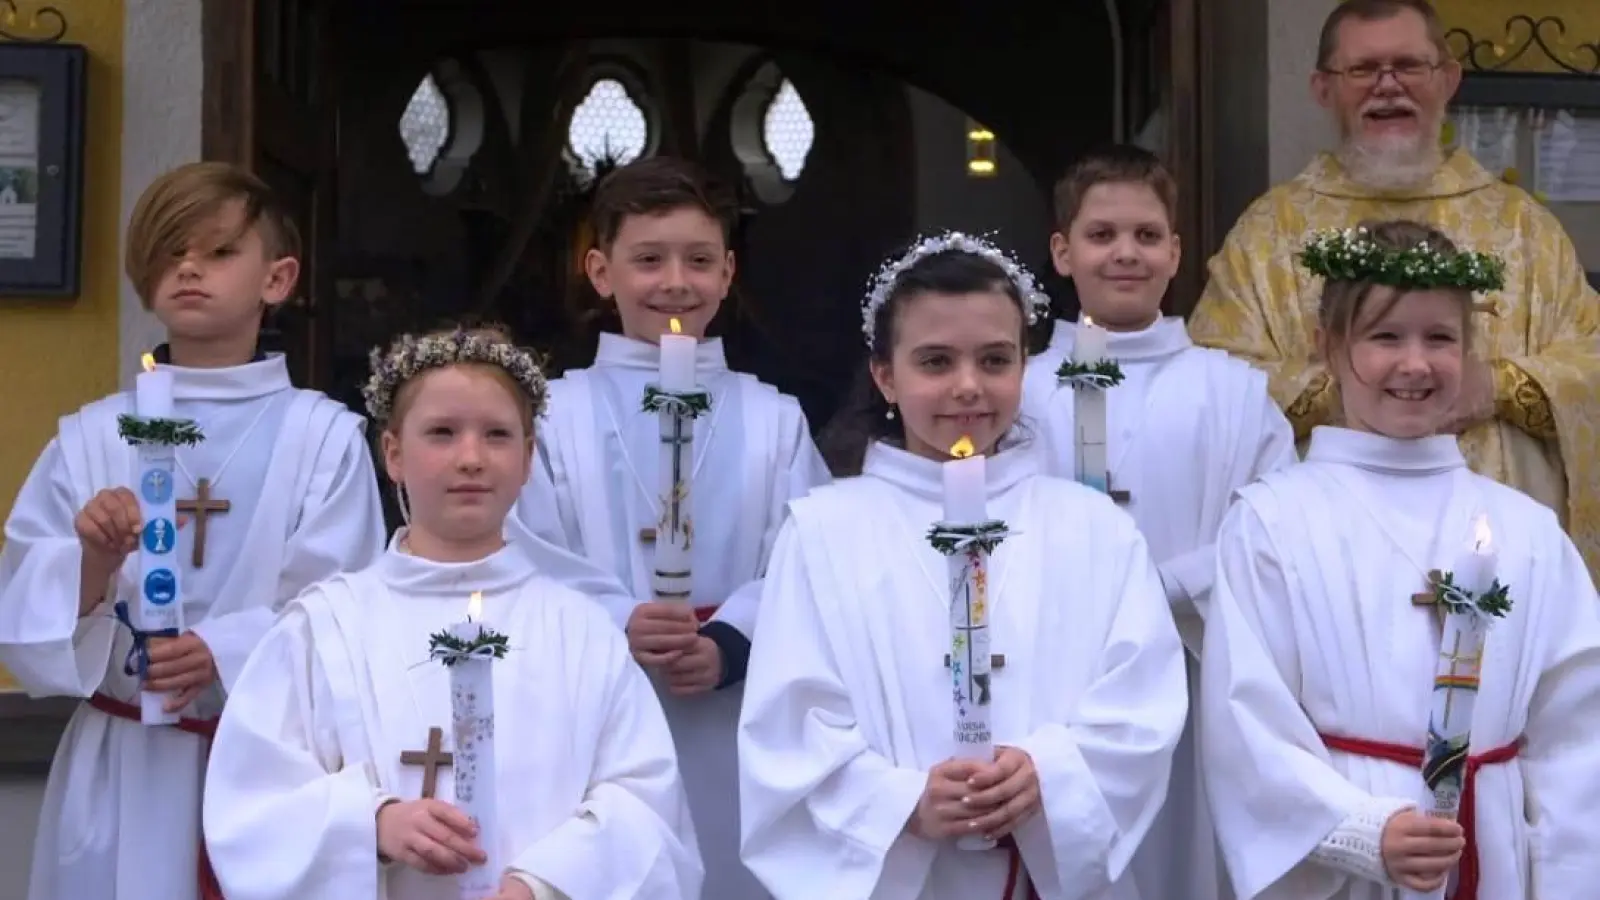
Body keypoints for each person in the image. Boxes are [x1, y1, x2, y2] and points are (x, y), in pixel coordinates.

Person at [739, 235, 1188, 899]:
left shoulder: (1094, 528)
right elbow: (790, 724)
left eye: (995, 359)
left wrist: (1047, 773)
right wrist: (902, 804)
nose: (968, 386)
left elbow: (1142, 700)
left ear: (1025, 367)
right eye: (935, 361)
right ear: (885, 376)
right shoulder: (823, 532)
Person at [203, 327, 703, 900]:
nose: (471, 458)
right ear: (393, 454)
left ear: (528, 457)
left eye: (497, 435)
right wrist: (371, 823)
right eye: (442, 433)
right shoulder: (323, 627)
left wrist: (544, 884)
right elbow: (252, 803)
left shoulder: (582, 630)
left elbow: (645, 804)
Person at [0, 162, 386, 900]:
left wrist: (223, 650)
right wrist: (91, 559)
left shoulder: (322, 438)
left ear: (277, 279)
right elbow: (24, 617)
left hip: (270, 766)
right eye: (169, 251)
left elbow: (349, 606)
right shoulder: (91, 437)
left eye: (219, 251)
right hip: (123, 761)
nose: (188, 268)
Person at [1201, 221, 1600, 900]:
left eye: (1439, 338)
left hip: (1494, 856)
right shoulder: (1272, 523)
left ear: (1470, 350)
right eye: (1385, 337)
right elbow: (1245, 724)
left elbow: (1576, 736)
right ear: (1328, 346)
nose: (1415, 364)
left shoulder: (1527, 530)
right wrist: (1363, 831)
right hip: (1339, 872)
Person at [1187, 0, 1600, 577]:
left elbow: (1590, 356)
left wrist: (1500, 386)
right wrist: (1352, 388)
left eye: (1409, 65)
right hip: (1328, 551)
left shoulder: (1524, 227)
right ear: (1323, 88)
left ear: (1447, 79)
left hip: (1500, 552)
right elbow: (1213, 380)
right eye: (1363, 69)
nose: (1388, 86)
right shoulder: (1269, 231)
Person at [512, 155, 829, 899]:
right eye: (648, 260)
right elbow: (524, 547)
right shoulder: (552, 416)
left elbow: (813, 557)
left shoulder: (774, 419)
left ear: (728, 273)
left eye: (699, 260)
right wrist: (619, 619)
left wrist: (729, 642)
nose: (676, 282)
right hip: (595, 706)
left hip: (731, 712)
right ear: (600, 272)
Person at [1024, 145, 1295, 900]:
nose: (1125, 253)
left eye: (1146, 236)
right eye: (1102, 235)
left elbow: (1276, 528)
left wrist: (1167, 585)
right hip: (1058, 677)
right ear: (1063, 251)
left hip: (1194, 674)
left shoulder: (1233, 392)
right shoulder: (1022, 392)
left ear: (1176, 254)